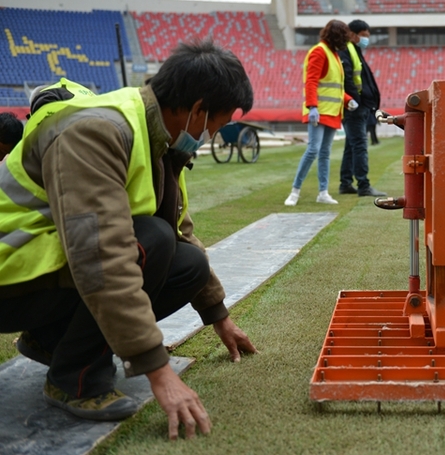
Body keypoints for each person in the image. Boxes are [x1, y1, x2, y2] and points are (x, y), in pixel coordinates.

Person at [0, 40, 256, 440]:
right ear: (197, 110)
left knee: (187, 262)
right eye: (217, 125)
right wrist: (157, 370)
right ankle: (74, 380)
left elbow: (180, 230)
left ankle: (52, 340)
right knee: (149, 240)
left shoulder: (160, 138)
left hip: (45, 269)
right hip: (10, 275)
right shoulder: (96, 131)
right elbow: (101, 256)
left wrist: (217, 314)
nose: (212, 136)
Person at [285, 19, 354, 206]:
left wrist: (348, 100)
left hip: (332, 111)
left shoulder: (334, 55)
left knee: (324, 153)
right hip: (319, 111)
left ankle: (323, 192)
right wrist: (312, 107)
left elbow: (335, 87)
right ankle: (295, 191)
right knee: (313, 150)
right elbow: (312, 81)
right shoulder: (320, 51)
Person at [338, 20, 386, 197]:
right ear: (353, 34)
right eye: (364, 35)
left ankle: (345, 183)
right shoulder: (347, 51)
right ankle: (364, 185)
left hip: (358, 105)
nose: (366, 39)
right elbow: (348, 79)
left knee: (351, 146)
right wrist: (357, 101)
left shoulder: (354, 50)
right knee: (359, 145)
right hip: (355, 107)